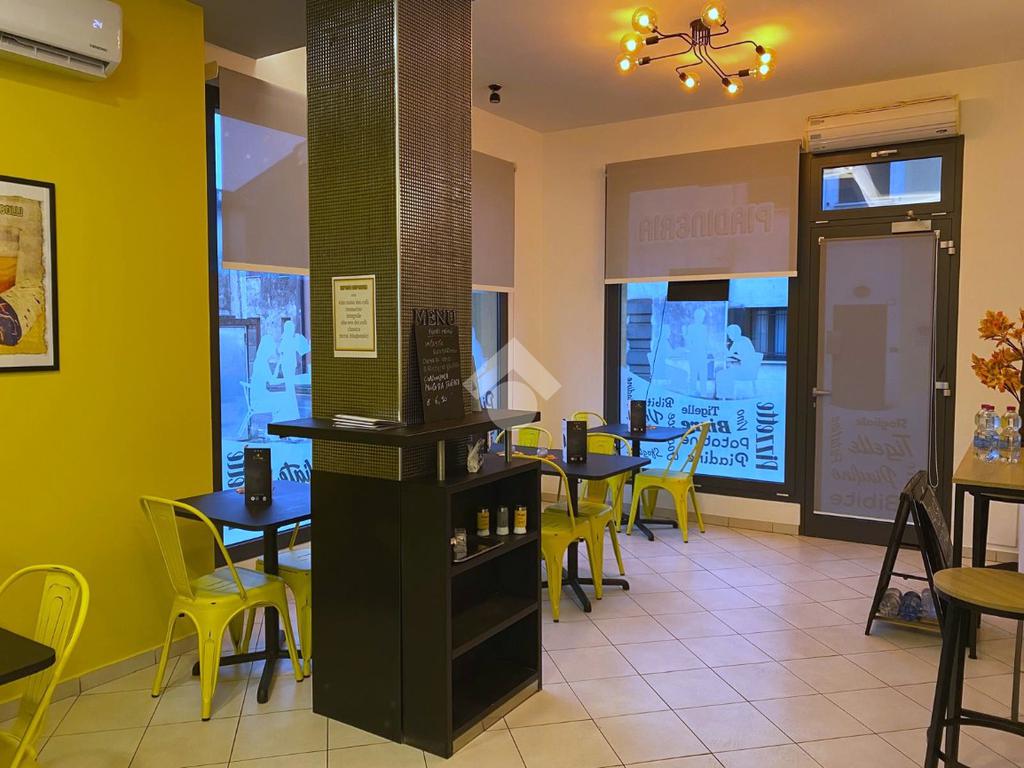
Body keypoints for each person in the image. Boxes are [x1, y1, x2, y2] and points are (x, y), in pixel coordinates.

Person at [716, 324, 759, 399]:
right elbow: (730, 354)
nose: (729, 337)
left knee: (721, 374)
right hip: (748, 369)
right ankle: (726, 394)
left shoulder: (742, 341)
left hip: (746, 371)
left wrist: (728, 352)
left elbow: (745, 357)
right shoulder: (740, 341)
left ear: (734, 333)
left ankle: (724, 396)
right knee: (725, 371)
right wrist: (726, 350)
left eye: (729, 334)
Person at [684, 308, 710, 396]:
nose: (701, 318)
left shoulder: (704, 328)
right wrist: (693, 349)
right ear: (695, 317)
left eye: (702, 317)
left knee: (703, 374)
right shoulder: (691, 327)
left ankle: (703, 393)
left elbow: (706, 342)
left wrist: (708, 351)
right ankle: (693, 392)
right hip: (694, 354)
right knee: (693, 374)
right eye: (699, 316)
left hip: (702, 354)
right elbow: (688, 342)